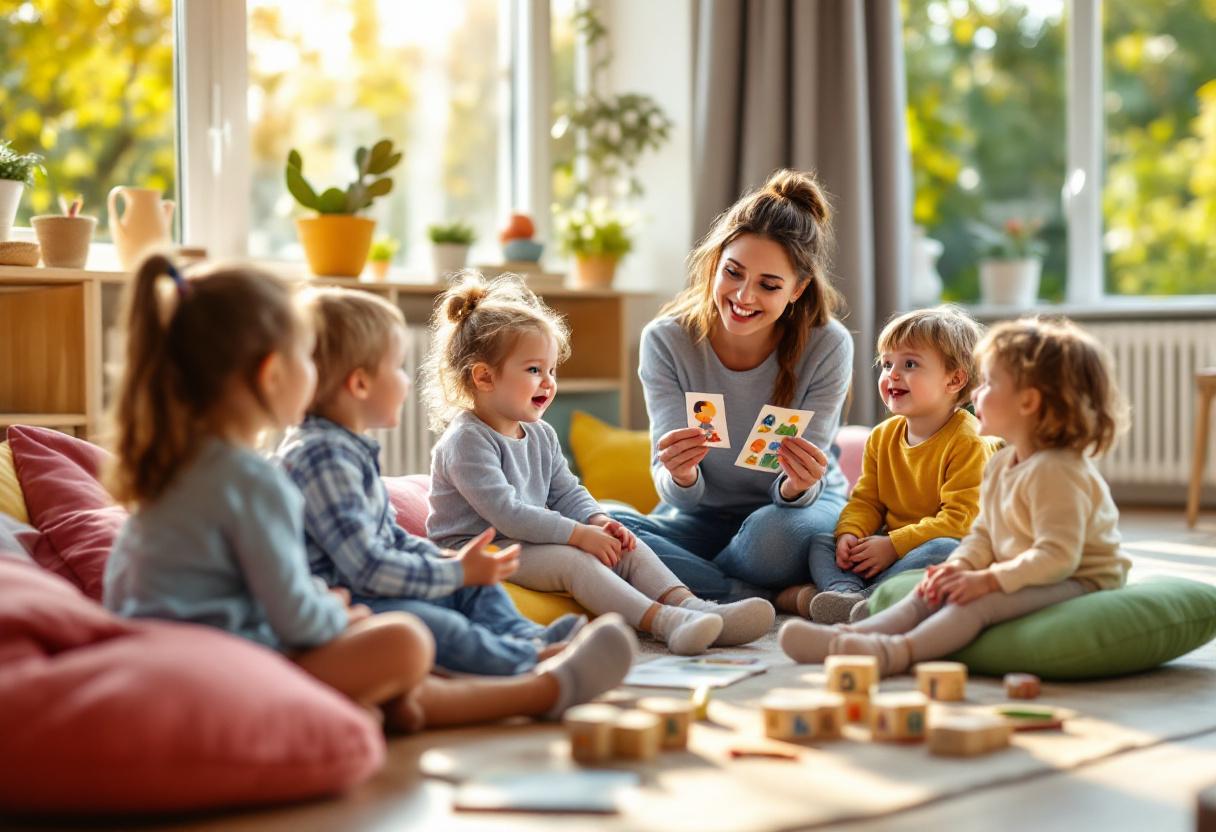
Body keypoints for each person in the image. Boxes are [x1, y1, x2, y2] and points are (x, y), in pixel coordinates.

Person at [103, 254, 635, 732]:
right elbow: (300, 609)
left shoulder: (186, 464)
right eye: (306, 360)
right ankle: (537, 676)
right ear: (271, 374)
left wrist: (441, 570)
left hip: (205, 651)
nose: (314, 377)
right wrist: (336, 615)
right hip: (228, 667)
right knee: (408, 638)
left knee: (453, 599)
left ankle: (531, 650)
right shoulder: (257, 477)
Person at [423, 272, 774, 655]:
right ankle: (664, 622)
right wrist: (577, 535)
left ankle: (692, 607)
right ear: (485, 377)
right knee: (575, 560)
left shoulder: (539, 434)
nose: (548, 382)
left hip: (524, 540)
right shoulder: (466, 441)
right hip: (484, 549)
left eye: (552, 370)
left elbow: (567, 492)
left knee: (622, 540)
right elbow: (508, 514)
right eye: (534, 370)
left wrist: (597, 521)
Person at [779, 317, 1132, 675]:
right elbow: (983, 533)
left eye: (990, 382)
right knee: (931, 588)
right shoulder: (1003, 462)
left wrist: (986, 580)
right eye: (887, 364)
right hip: (1023, 566)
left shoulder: (1057, 471)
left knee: (975, 604)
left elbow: (1058, 558)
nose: (977, 392)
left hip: (1078, 579)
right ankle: (847, 636)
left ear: (1028, 402)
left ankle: (895, 653)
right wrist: (960, 567)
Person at [277, 287, 586, 676]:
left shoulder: (348, 449)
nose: (407, 382)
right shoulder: (323, 457)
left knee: (475, 586)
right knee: (438, 625)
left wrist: (451, 563)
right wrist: (453, 572)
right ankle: (531, 664)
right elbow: (367, 567)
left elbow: (390, 537)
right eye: (399, 368)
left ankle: (528, 638)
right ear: (359, 384)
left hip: (376, 584)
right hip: (350, 600)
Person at [612, 169, 853, 615]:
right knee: (601, 525)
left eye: (769, 284)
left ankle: (694, 582)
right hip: (699, 516)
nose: (743, 296)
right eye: (733, 273)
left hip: (789, 516)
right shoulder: (666, 341)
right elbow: (673, 493)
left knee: (773, 539)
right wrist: (681, 475)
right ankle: (757, 594)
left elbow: (798, 494)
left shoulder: (828, 345)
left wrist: (800, 484)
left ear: (797, 290)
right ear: (715, 262)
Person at [810, 306, 998, 625]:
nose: (892, 375)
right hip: (891, 547)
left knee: (945, 549)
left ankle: (872, 599)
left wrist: (893, 546)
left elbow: (960, 522)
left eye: (909, 364)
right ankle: (844, 592)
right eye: (886, 364)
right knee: (821, 540)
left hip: (931, 545)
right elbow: (867, 500)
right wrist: (851, 534)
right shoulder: (882, 436)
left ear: (955, 379)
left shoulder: (968, 440)